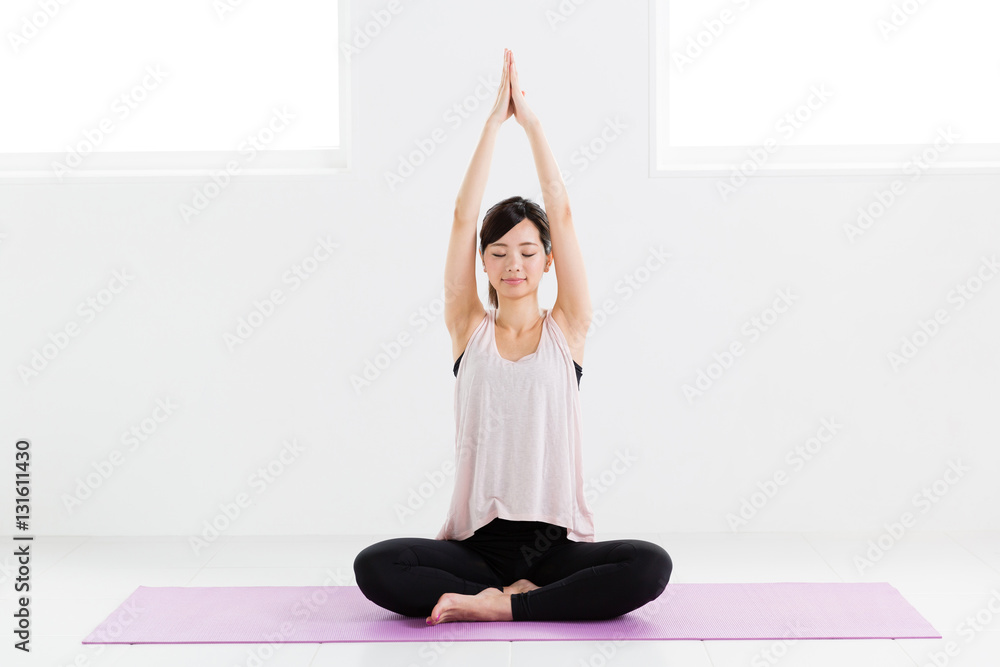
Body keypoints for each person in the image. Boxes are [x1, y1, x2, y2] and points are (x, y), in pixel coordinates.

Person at [354, 48, 671, 625]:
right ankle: (511, 599)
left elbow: (565, 214)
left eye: (527, 251)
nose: (513, 263)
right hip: (476, 549)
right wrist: (489, 129)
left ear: (548, 261)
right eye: (498, 253)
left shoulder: (567, 329)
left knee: (650, 566)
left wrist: (532, 126)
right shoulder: (467, 328)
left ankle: (506, 608)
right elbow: (460, 217)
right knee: (375, 566)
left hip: (552, 549)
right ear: (484, 263)